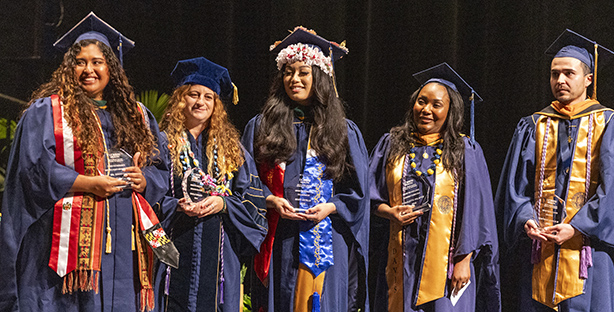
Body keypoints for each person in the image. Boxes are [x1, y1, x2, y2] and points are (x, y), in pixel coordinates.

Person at [0, 12, 172, 312]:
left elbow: (160, 168)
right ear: (69, 68)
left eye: (97, 62)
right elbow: (34, 170)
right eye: (80, 62)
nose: (88, 70)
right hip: (66, 246)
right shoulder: (48, 112)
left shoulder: (139, 115)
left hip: (125, 236)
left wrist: (143, 179)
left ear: (112, 67)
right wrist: (88, 183)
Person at [495, 29, 614, 311]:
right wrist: (525, 219)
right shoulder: (533, 125)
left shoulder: (611, 124)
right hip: (540, 252)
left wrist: (577, 226)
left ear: (589, 79)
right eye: (555, 74)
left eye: (569, 73)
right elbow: (515, 188)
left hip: (590, 253)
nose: (560, 81)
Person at [241, 26, 369, 312]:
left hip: (325, 238)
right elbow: (242, 181)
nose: (294, 79)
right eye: (287, 72)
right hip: (279, 237)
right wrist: (270, 200)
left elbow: (357, 192)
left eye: (303, 72)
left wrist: (330, 207)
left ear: (320, 77)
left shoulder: (343, 131)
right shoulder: (261, 127)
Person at [368, 63, 500, 311]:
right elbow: (370, 197)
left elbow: (476, 212)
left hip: (448, 264)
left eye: (436, 105)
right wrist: (390, 212)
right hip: (400, 257)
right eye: (421, 101)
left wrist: (464, 260)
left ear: (450, 111)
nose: (426, 110)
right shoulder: (392, 144)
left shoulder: (465, 150)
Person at [154, 57, 267, 311]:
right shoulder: (162, 144)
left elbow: (253, 202)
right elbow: (148, 196)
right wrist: (175, 206)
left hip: (218, 256)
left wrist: (223, 203)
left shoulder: (231, 151)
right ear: (180, 99)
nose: (200, 102)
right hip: (170, 249)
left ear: (216, 105)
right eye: (193, 94)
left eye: (208, 97)